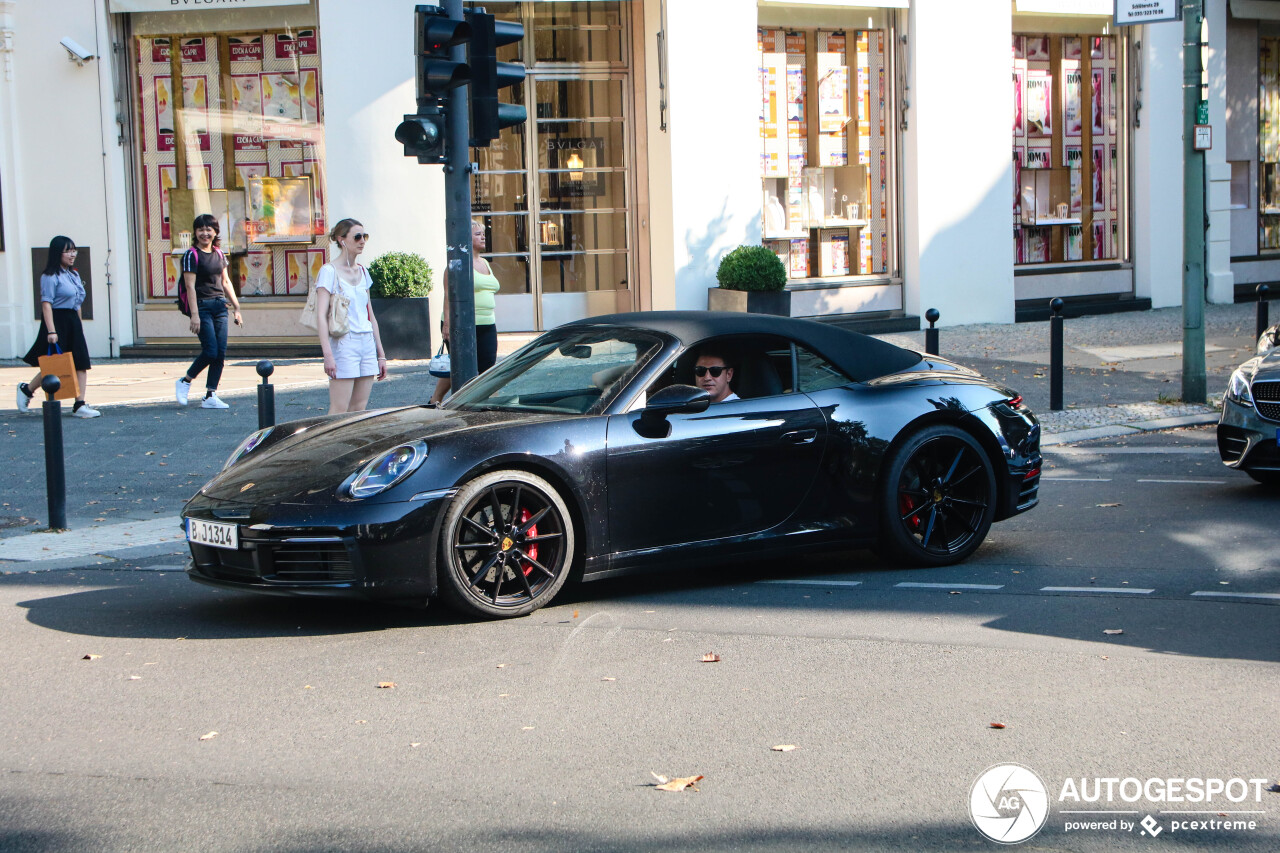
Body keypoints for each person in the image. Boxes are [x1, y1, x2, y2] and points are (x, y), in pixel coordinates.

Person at [17, 236, 101, 418]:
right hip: (57, 319)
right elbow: (46, 304)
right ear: (57, 253)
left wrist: (79, 326)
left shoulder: (73, 274)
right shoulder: (49, 276)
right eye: (68, 251)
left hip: (72, 320)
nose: (72, 255)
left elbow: (77, 302)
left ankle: (80, 404)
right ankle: (27, 389)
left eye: (74, 250)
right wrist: (52, 331)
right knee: (55, 364)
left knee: (81, 362)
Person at [316, 218, 387, 415]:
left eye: (364, 236)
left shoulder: (363, 271)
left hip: (366, 341)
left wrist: (380, 353)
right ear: (341, 240)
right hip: (343, 342)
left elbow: (370, 314)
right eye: (357, 237)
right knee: (339, 409)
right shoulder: (329, 271)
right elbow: (321, 316)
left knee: (358, 409)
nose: (362, 241)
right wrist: (328, 354)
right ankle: (329, 445)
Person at [428, 219, 499, 406]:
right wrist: (448, 325)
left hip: (487, 323)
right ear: (466, 238)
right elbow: (448, 295)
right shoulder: (458, 263)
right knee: (462, 367)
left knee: (487, 367)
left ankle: (480, 402)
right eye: (478, 234)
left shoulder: (484, 262)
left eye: (483, 233)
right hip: (463, 323)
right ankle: (457, 402)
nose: (483, 236)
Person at [174, 214, 242, 409]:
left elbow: (225, 281)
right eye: (201, 229)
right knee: (210, 350)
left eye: (208, 229)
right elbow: (190, 287)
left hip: (220, 306)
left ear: (215, 232)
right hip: (202, 306)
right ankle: (185, 380)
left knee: (220, 352)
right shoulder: (191, 255)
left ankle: (210, 394)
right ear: (195, 232)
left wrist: (237, 308)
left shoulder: (219, 254)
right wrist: (194, 315)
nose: (205, 233)